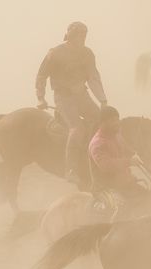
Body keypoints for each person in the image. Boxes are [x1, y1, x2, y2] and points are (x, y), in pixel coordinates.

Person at [36, 21, 107, 184]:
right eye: (78, 35)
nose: (81, 39)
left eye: (83, 36)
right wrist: (41, 97)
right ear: (70, 35)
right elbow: (41, 76)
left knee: (101, 122)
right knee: (77, 128)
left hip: (82, 96)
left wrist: (103, 100)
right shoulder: (55, 53)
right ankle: (71, 169)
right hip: (63, 98)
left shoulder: (87, 54)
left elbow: (93, 77)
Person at [88, 105, 145, 217]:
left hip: (124, 183)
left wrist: (135, 153)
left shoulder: (116, 135)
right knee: (122, 210)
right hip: (106, 188)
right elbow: (106, 165)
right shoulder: (97, 144)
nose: (117, 123)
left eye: (117, 119)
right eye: (112, 120)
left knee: (148, 197)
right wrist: (130, 161)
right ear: (102, 123)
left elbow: (126, 148)